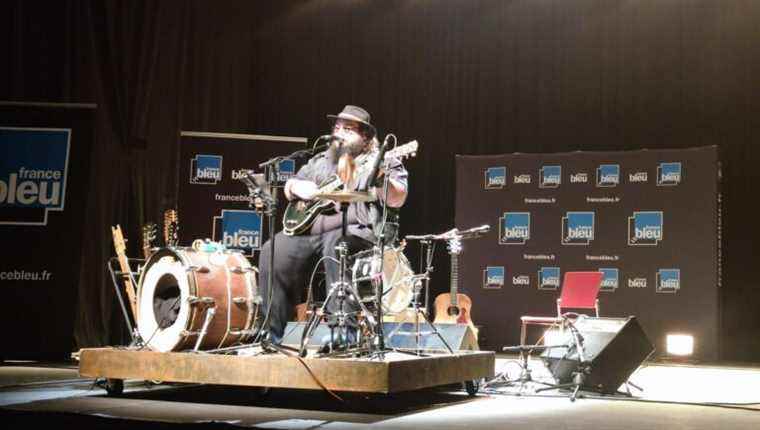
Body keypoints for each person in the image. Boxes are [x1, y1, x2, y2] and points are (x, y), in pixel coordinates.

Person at [259, 105, 409, 345]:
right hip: (310, 232)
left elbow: (397, 197)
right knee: (273, 249)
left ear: (366, 137)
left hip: (358, 232)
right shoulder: (322, 160)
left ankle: (343, 331)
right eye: (337, 127)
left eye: (348, 129)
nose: (339, 132)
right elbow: (290, 186)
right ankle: (269, 331)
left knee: (336, 242)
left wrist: (381, 177)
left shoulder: (382, 160)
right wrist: (300, 188)